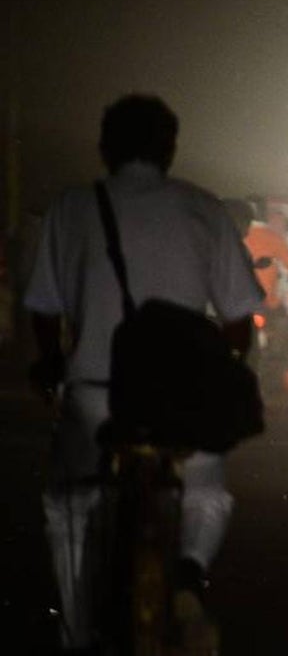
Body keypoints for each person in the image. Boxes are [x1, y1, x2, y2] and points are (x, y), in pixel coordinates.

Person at [24, 95, 264, 653]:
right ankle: (187, 575)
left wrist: (52, 364)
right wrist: (219, 375)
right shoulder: (205, 209)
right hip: (183, 399)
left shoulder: (72, 207)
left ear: (105, 147)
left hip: (96, 397)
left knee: (67, 505)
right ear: (170, 150)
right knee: (205, 490)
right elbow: (237, 317)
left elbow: (43, 306)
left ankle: (77, 632)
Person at [242, 196, 288, 373]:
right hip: (267, 299)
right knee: (286, 319)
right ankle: (278, 355)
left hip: (239, 299)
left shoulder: (233, 234)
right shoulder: (273, 238)